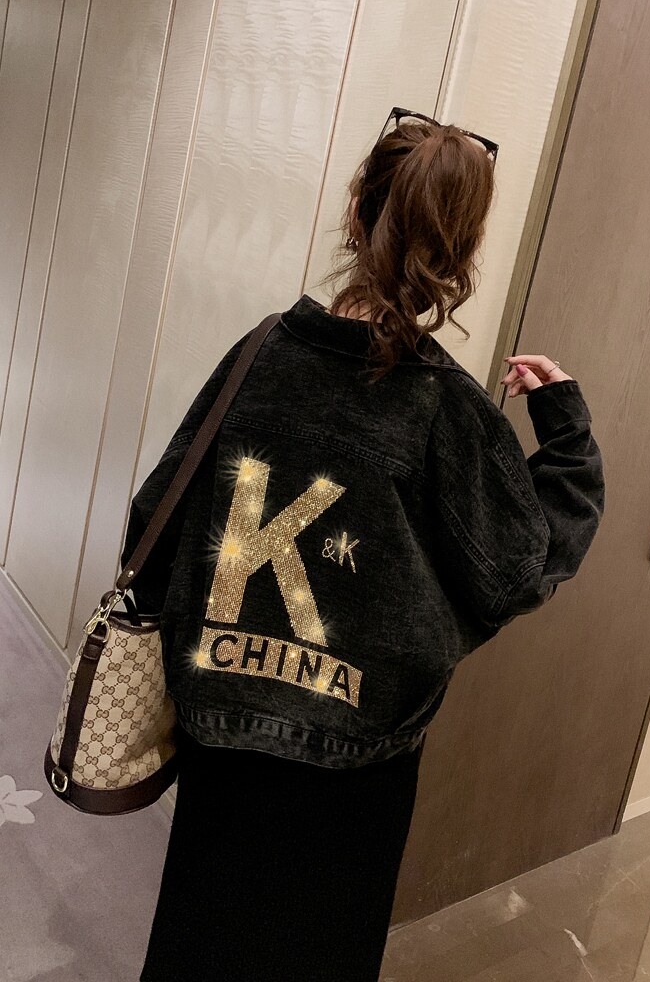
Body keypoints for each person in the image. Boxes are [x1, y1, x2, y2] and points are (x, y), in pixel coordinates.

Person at [128, 107, 605, 982]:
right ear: (460, 254)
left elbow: (155, 518)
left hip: (222, 736)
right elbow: (519, 569)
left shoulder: (259, 354)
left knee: (201, 941)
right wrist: (565, 430)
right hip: (358, 768)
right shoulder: (446, 408)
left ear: (356, 212)